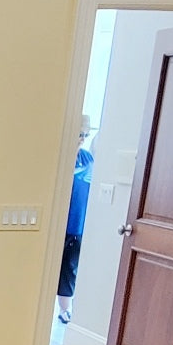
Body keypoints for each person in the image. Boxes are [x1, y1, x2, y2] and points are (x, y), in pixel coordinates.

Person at [57, 114, 94, 324]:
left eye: (85, 135)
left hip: (77, 225)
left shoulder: (88, 159)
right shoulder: (60, 158)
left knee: (70, 268)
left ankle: (65, 310)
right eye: (79, 134)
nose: (82, 139)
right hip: (59, 226)